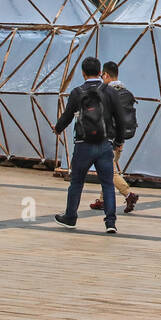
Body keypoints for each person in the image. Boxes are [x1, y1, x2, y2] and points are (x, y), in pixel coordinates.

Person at [52, 56, 120, 234]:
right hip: (105, 144)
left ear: (83, 73)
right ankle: (110, 222)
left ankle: (70, 217)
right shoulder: (110, 92)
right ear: (100, 72)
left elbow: (67, 115)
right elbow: (120, 118)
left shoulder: (77, 92)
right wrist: (118, 141)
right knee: (107, 184)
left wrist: (58, 128)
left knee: (76, 182)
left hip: (83, 144)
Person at [89, 60, 140, 214]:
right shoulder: (127, 92)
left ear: (105, 75)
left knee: (108, 170)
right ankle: (102, 201)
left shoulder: (106, 93)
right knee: (108, 168)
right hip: (121, 138)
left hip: (107, 138)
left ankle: (128, 194)